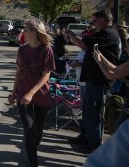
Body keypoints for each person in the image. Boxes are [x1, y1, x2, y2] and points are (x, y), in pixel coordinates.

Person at [64, 9, 120, 154]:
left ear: (102, 20)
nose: (93, 24)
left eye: (95, 21)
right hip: (91, 78)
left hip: (98, 80)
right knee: (88, 110)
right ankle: (86, 137)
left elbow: (84, 45)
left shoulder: (107, 33)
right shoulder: (103, 33)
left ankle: (93, 143)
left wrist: (71, 34)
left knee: (92, 112)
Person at [8, 18, 55, 167]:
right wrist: (13, 92)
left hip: (41, 94)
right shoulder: (22, 49)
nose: (23, 33)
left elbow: (46, 74)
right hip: (23, 93)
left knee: (38, 130)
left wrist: (32, 93)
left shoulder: (46, 49)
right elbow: (18, 72)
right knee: (29, 129)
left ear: (33, 33)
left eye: (25, 30)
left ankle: (32, 149)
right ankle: (33, 162)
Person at [93, 35, 129, 131]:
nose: (125, 49)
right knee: (119, 129)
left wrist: (98, 62)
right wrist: (101, 56)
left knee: (120, 129)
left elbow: (111, 75)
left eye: (127, 47)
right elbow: (115, 69)